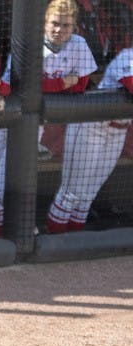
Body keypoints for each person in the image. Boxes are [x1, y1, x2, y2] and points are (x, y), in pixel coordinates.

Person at [44, 44, 132, 232]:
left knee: (88, 195)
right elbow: (131, 83)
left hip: (118, 131)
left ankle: (73, 243)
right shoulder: (127, 56)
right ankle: (56, 246)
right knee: (71, 194)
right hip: (91, 126)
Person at [41, 0, 100, 232]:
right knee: (0, 187)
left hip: (61, 120)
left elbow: (80, 86)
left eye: (66, 25)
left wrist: (51, 85)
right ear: (45, 22)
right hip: (24, 123)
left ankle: (64, 240)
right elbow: (27, 87)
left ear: (74, 26)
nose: (59, 30)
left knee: (79, 186)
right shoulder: (32, 43)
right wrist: (63, 82)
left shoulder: (79, 43)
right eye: (55, 23)